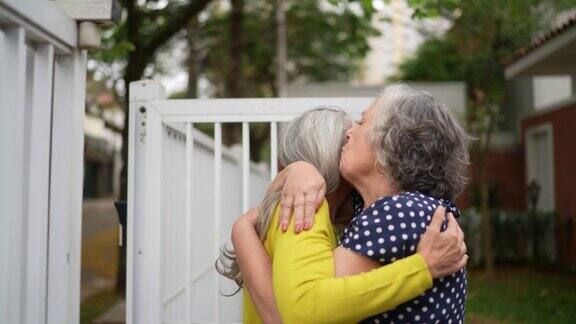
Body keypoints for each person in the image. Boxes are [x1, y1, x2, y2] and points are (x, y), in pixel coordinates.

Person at [229, 85, 469, 323]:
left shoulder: (398, 211)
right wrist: (297, 170)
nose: (352, 132)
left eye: (362, 123)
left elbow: (302, 309)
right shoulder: (310, 205)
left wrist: (243, 229)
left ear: (388, 144)